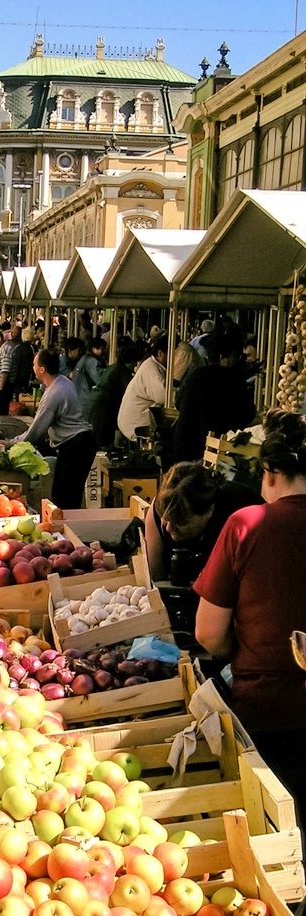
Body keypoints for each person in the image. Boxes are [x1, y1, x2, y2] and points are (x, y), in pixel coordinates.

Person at [194, 410, 306, 829]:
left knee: (280, 835)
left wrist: (236, 651)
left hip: (269, 715)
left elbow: (208, 633)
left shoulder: (249, 524)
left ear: (270, 472)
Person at [144, 462, 263, 583]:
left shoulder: (242, 514)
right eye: (165, 520)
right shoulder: (161, 508)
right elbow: (154, 579)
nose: (169, 528)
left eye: (180, 523)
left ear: (209, 511)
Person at [11, 347, 97, 509]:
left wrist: (11, 443)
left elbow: (35, 431)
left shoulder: (54, 394)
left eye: (34, 364)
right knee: (70, 493)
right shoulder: (63, 381)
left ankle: (66, 530)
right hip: (82, 442)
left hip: (75, 446)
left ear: (42, 369)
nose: (32, 367)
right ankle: (68, 527)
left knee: (64, 496)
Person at [173, 336, 256, 463]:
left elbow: (178, 403)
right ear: (223, 357)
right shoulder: (233, 380)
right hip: (215, 450)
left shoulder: (195, 375)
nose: (239, 360)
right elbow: (247, 414)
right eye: (235, 356)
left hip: (185, 445)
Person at [117, 334, 168, 442]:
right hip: (136, 425)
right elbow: (163, 397)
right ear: (160, 353)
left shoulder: (151, 365)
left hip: (132, 421)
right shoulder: (151, 369)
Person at [89, 342, 140, 448]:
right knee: (103, 440)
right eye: (134, 362)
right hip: (104, 407)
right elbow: (129, 392)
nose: (135, 365)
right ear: (129, 361)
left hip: (96, 404)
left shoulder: (113, 367)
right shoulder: (123, 372)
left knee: (97, 438)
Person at [72, 337, 108, 418]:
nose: (105, 351)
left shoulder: (84, 358)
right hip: (85, 400)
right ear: (94, 349)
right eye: (103, 349)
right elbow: (100, 379)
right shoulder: (91, 361)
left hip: (78, 399)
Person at [12, 327, 37, 398]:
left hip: (18, 375)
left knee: (19, 395)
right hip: (28, 375)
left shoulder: (18, 348)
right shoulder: (32, 348)